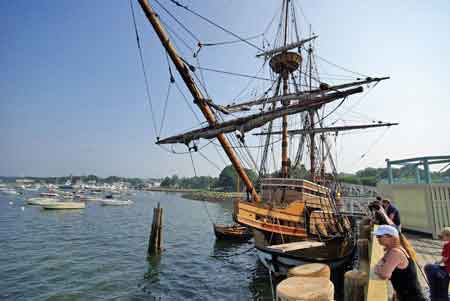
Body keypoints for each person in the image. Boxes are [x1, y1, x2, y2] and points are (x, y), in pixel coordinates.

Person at [374, 225, 426, 301]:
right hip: (409, 296)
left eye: (379, 236)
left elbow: (384, 274)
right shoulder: (397, 249)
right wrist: (380, 267)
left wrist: (379, 268)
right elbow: (380, 264)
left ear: (391, 237)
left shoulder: (395, 252)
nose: (377, 238)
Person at [424, 227, 450, 301]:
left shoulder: (447, 246)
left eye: (442, 236)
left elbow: (445, 258)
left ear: (447, 236)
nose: (441, 238)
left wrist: (437, 263)